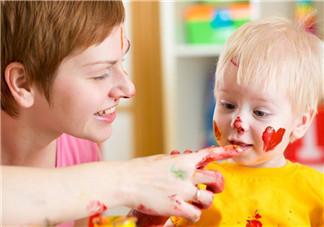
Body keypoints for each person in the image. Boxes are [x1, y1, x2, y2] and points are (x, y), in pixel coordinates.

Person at [0, 1, 243, 226]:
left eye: (121, 61)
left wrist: (141, 221)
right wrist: (132, 179)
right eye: (99, 74)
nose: (129, 88)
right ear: (23, 83)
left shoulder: (80, 147)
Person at [163, 17, 324, 227]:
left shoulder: (315, 190)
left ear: (301, 123)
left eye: (260, 112)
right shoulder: (199, 182)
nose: (238, 122)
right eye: (228, 105)